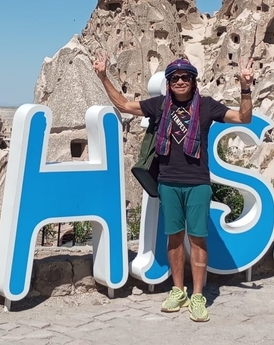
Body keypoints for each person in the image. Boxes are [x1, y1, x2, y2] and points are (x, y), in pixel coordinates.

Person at [93, 52, 254, 322]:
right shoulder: (159, 105)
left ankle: (198, 295)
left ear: (193, 81)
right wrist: (102, 76)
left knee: (198, 239)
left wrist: (246, 87)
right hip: (168, 182)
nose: (180, 81)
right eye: (175, 77)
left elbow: (243, 118)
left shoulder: (207, 106)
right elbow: (123, 105)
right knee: (175, 238)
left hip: (198, 183)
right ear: (168, 82)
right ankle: (178, 290)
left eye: (185, 77)